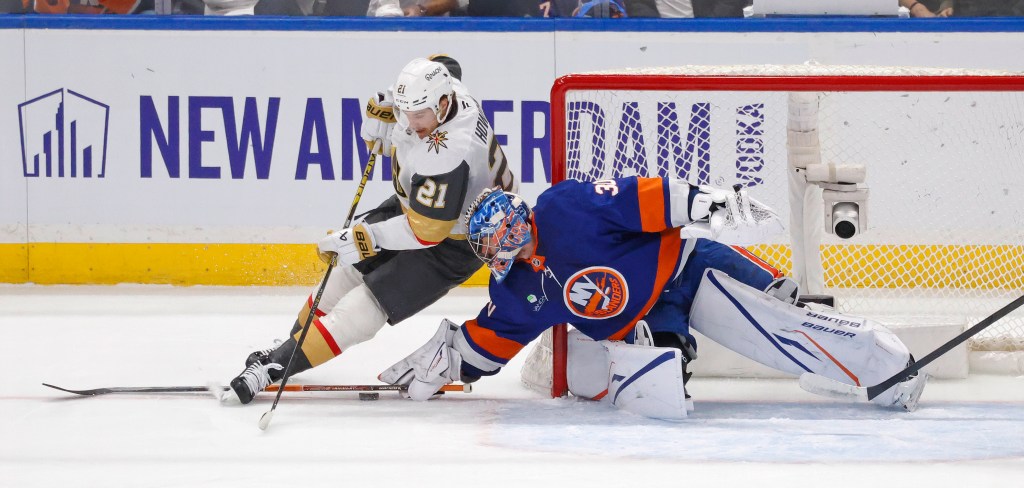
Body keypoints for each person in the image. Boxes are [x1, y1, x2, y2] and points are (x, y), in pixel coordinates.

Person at [379, 177, 928, 418]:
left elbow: (644, 197)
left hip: (688, 268)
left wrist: (706, 203)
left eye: (498, 243)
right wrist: (452, 357)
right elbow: (492, 340)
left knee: (780, 317)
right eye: (496, 248)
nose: (500, 254)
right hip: (652, 317)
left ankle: (887, 365)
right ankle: (856, 366)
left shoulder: (564, 208)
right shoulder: (515, 290)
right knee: (662, 371)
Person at [228, 54, 517, 404]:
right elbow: (446, 62)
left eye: (419, 114)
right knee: (346, 268)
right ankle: (290, 352)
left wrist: (368, 238)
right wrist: (387, 104)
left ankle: (274, 366)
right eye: (407, 112)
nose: (412, 122)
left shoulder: (449, 152)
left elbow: (427, 233)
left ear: (443, 104)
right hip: (418, 205)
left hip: (455, 239)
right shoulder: (446, 92)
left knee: (368, 304)